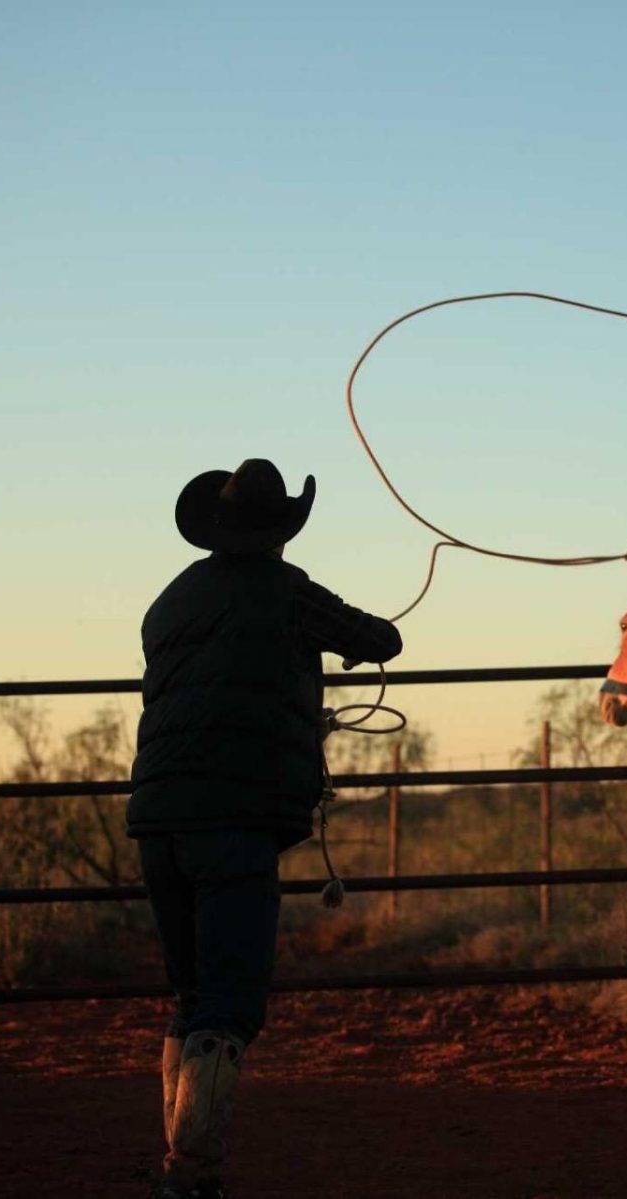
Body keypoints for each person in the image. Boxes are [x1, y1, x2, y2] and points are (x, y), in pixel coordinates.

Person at [129, 458, 402, 1199]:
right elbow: (379, 638)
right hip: (237, 817)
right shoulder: (287, 591)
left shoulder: (170, 602)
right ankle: (191, 1174)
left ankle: (181, 1161)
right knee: (229, 1002)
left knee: (190, 994)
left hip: (158, 816)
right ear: (280, 530)